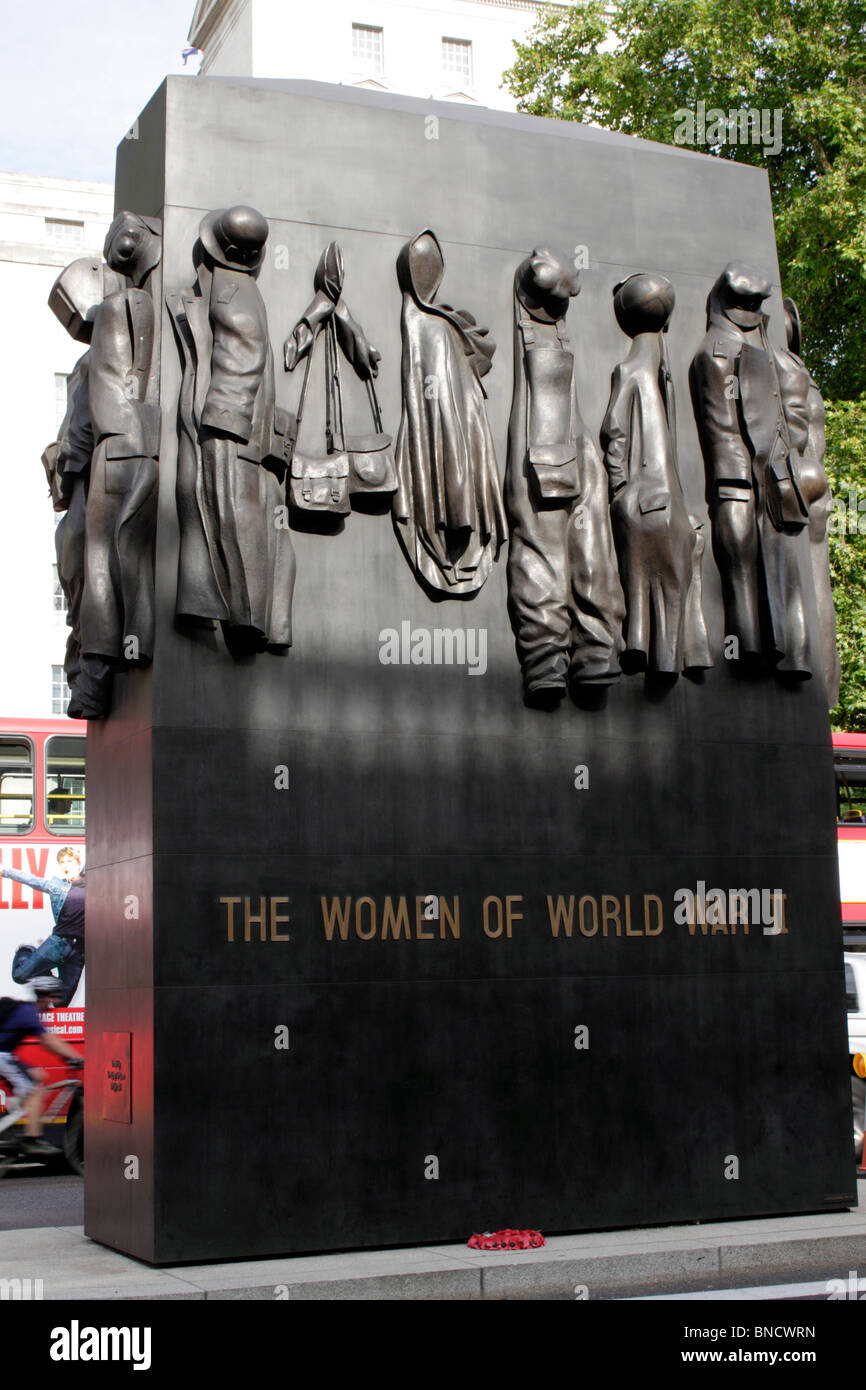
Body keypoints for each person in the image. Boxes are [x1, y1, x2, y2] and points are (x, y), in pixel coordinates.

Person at [0, 977, 83, 1158]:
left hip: (5, 1055)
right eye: (55, 996)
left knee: (38, 1077)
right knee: (35, 1089)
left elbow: (46, 1043)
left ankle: (12, 1119)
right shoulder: (27, 1013)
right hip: (2, 1056)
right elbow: (49, 1040)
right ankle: (32, 1139)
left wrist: (65, 1057)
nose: (55, 1001)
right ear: (46, 996)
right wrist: (75, 1057)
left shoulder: (25, 1011)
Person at [11, 870, 85, 1008]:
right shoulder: (59, 887)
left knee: (61, 1002)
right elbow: (30, 879)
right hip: (58, 944)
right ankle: (27, 951)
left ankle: (43, 970)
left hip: (78, 951)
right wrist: (4, 871)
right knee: (20, 975)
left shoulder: (99, 889)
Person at [1, 846, 81, 925]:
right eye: (62, 862)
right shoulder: (57, 887)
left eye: (69, 861)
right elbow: (30, 879)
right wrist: (4, 871)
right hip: (62, 935)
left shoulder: (89, 884)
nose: (65, 865)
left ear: (78, 864)